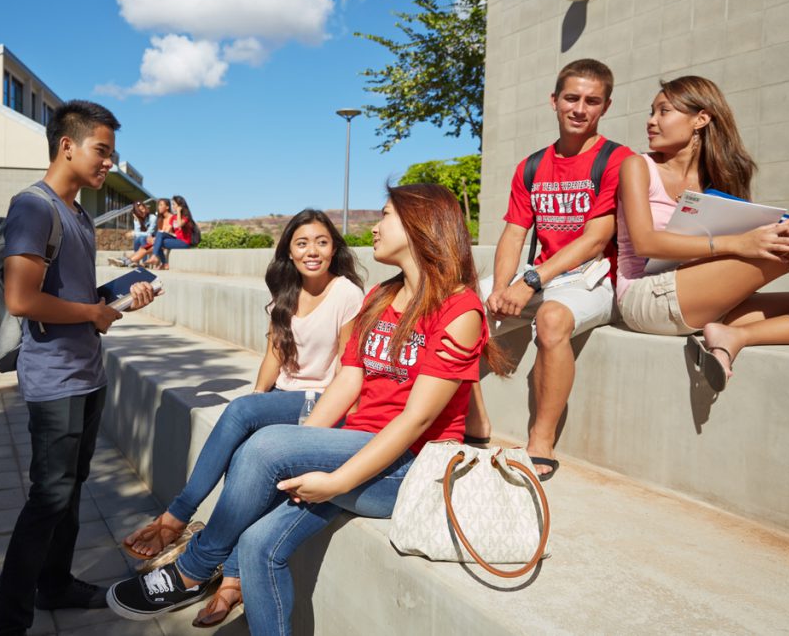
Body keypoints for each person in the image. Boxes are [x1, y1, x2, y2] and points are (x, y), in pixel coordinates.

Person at [106, 184, 509, 635]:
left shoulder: (459, 309)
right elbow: (347, 382)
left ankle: (192, 570)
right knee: (259, 544)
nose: (374, 226)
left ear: (421, 226)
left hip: (410, 469)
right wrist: (300, 450)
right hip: (358, 448)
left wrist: (334, 479)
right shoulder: (379, 297)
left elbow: (416, 420)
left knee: (265, 444)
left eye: (386, 215)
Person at [121, 209, 365, 627]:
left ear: (334, 248)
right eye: (302, 242)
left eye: (322, 242)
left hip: (324, 400)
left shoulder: (346, 293)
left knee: (242, 413)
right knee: (248, 446)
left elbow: (348, 367)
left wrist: (261, 412)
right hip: (285, 396)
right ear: (288, 249)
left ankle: (176, 520)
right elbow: (275, 353)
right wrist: (258, 399)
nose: (313, 251)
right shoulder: (284, 291)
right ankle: (232, 580)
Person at [0, 100, 158, 636]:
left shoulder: (78, 213)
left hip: (88, 374)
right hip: (55, 380)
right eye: (101, 151)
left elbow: (76, 294)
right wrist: (93, 313)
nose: (109, 162)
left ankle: (55, 584)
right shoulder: (34, 207)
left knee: (72, 487)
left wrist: (119, 295)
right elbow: (21, 298)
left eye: (111, 152)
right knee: (48, 497)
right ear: (68, 145)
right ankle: (6, 623)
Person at [473, 58, 633, 481]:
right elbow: (513, 233)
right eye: (572, 98)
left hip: (593, 277)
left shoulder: (617, 160)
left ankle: (540, 442)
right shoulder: (532, 165)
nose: (580, 108)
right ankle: (470, 419)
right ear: (554, 101)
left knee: (552, 319)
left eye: (592, 101)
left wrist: (529, 283)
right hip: (542, 274)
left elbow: (595, 240)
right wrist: (501, 285)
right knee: (462, 307)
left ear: (606, 106)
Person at [616, 75, 789, 390]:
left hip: (701, 293)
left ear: (700, 119)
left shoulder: (717, 180)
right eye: (651, 112)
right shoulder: (638, 166)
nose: (651, 121)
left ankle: (734, 336)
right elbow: (644, 241)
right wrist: (739, 243)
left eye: (663, 111)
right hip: (646, 295)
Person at [148, 195, 195, 269]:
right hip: (176, 240)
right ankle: (163, 262)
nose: (172, 206)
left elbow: (179, 224)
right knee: (159, 237)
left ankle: (161, 262)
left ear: (180, 205)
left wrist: (179, 212)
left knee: (159, 241)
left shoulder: (185, 217)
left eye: (174, 204)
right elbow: (167, 231)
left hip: (184, 242)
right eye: (172, 204)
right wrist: (157, 238)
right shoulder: (173, 217)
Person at [129, 197, 170, 267]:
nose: (143, 211)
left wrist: (135, 233)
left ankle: (144, 262)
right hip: (145, 239)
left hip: (153, 238)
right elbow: (137, 233)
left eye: (143, 209)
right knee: (138, 238)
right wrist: (137, 221)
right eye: (139, 211)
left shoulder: (152, 217)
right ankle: (137, 261)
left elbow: (149, 233)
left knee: (141, 238)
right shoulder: (137, 219)